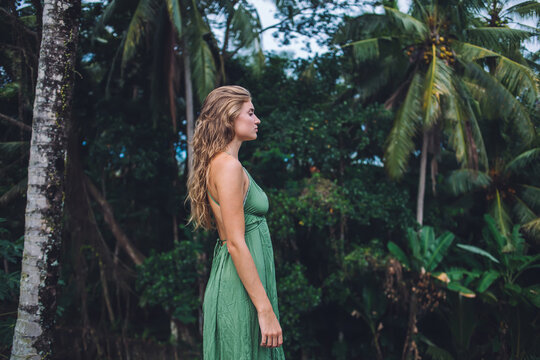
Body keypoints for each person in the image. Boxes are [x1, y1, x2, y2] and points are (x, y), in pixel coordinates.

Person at [187, 85, 286, 359]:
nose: (257, 120)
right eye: (251, 113)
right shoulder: (228, 167)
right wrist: (264, 309)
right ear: (230, 117)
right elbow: (235, 243)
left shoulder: (225, 164)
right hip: (241, 288)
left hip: (244, 283)